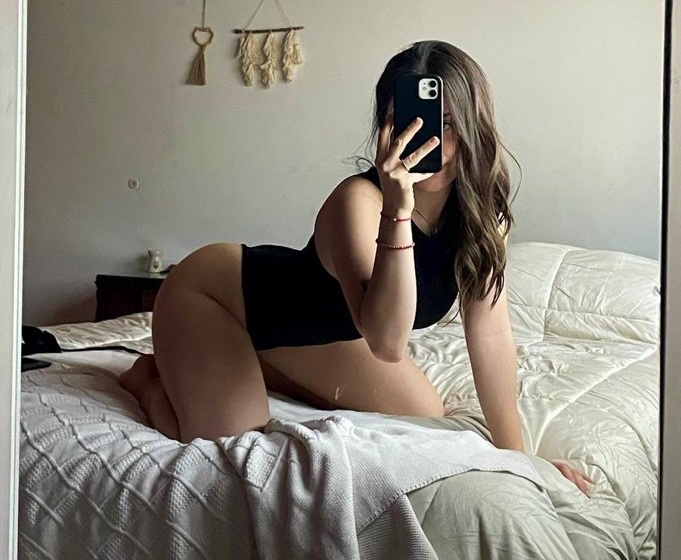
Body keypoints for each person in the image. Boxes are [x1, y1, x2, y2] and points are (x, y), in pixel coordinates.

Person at [120, 40, 594, 497]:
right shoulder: (359, 203)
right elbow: (387, 342)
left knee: (426, 411)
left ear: (475, 125)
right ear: (388, 127)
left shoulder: (481, 216)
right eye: (413, 123)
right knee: (231, 449)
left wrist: (519, 459)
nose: (435, 144)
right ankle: (149, 378)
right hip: (218, 296)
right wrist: (398, 210)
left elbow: (489, 334)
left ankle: (255, 363)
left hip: (317, 334)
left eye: (448, 125)